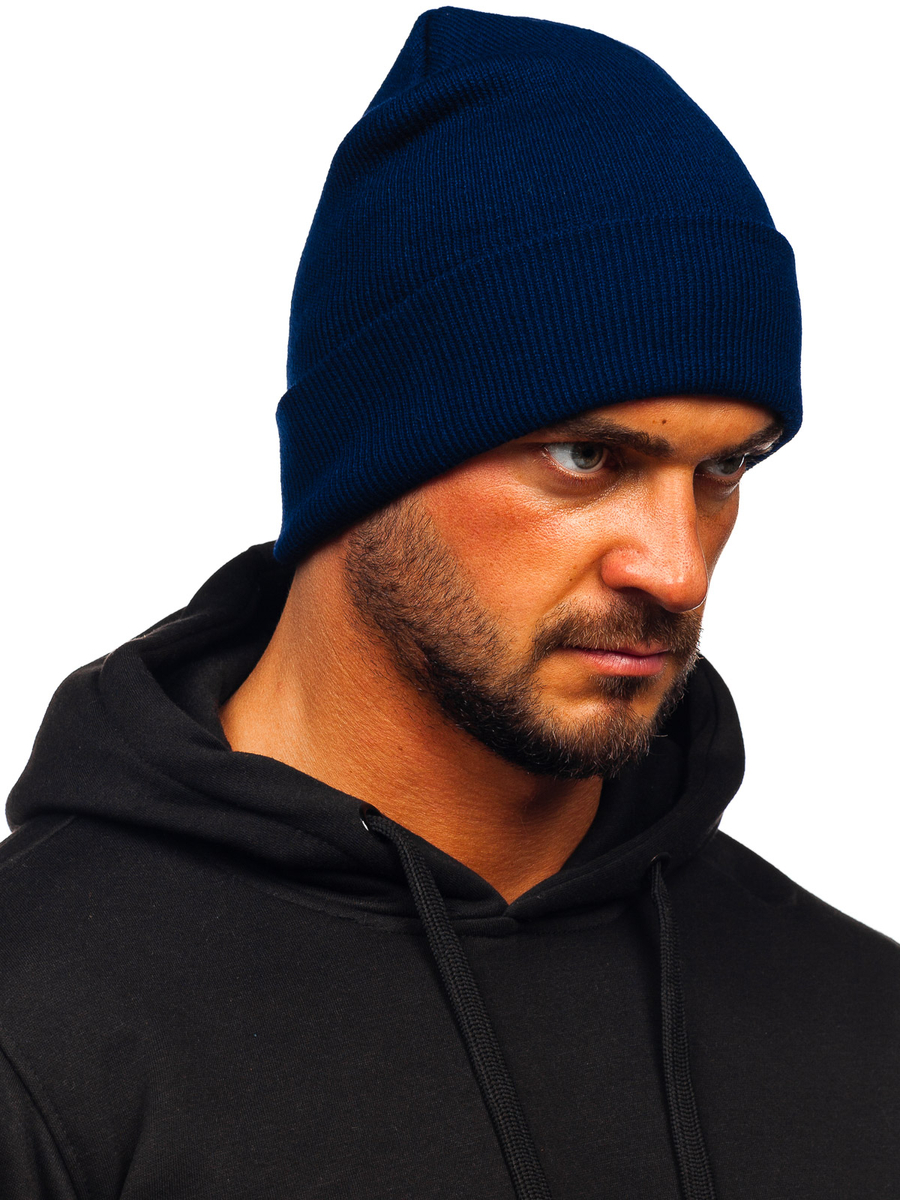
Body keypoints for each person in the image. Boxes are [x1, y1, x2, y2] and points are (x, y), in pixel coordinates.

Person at [2, 6, 897, 1198]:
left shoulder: (861, 1021)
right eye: (586, 457)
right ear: (369, 462)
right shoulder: (37, 1032)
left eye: (723, 468)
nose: (676, 569)